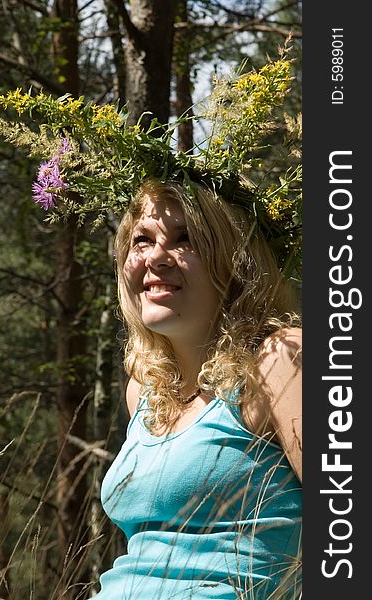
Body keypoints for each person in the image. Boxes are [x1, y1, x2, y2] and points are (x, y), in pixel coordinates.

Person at [96, 179, 302, 599]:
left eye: (184, 239)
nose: (156, 257)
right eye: (142, 239)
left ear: (233, 260)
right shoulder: (145, 390)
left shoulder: (283, 358)